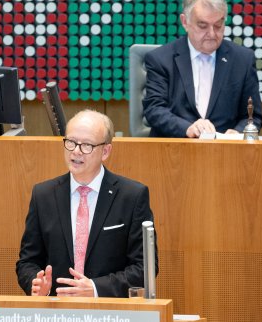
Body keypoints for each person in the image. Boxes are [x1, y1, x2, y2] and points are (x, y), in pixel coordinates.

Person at [16, 109, 157, 297]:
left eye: (87, 145)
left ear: (105, 151)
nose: (76, 151)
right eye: (71, 142)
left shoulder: (132, 196)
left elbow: (145, 267)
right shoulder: (43, 195)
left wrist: (96, 289)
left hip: (111, 314)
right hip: (57, 312)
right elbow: (27, 262)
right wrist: (37, 283)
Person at [143, 0, 262, 138]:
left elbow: (253, 116)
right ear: (185, 22)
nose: (212, 33)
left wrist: (238, 132)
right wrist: (187, 128)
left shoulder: (243, 60)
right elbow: (154, 110)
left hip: (226, 154)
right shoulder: (160, 59)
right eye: (203, 25)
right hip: (174, 152)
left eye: (218, 25)